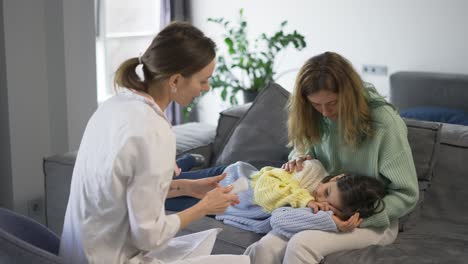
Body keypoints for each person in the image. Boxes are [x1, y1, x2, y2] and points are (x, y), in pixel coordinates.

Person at [59, 22, 249, 264]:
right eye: (203, 80)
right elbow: (149, 237)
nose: (207, 87)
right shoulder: (154, 131)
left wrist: (187, 188)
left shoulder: (114, 106)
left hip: (79, 254)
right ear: (176, 80)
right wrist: (205, 206)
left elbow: (122, 190)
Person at [244, 51, 419, 264]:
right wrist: (300, 158)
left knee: (301, 244)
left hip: (369, 218)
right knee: (264, 248)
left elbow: (407, 194)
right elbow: (303, 152)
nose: (325, 112)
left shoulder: (384, 123)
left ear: (349, 95)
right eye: (317, 105)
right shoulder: (314, 116)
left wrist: (353, 220)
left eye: (333, 103)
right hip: (318, 210)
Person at [215, 160, 385, 234]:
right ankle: (187, 161)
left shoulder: (321, 212)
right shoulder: (311, 171)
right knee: (187, 186)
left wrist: (334, 223)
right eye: (326, 191)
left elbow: (278, 220)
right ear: (336, 178)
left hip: (224, 205)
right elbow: (265, 189)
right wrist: (305, 200)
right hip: (230, 179)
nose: (319, 199)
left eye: (330, 207)